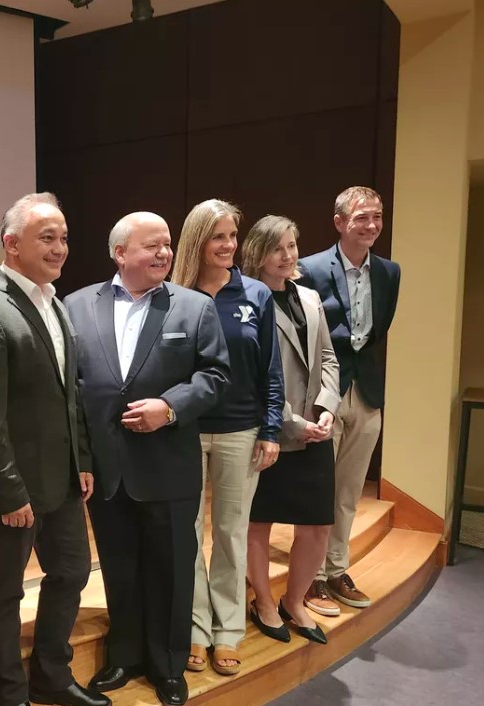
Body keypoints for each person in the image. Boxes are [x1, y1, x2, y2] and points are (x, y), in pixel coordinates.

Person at [65, 212, 230, 705]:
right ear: (120, 253)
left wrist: (171, 407)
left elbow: (216, 377)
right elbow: (73, 389)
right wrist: (81, 457)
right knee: (119, 567)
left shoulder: (194, 308)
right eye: (152, 245)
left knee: (172, 569)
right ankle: (124, 657)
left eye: (167, 244)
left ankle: (168, 666)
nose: (163, 253)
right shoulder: (75, 305)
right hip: (107, 469)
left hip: (168, 465)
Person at [0, 193, 109, 706]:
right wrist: (7, 491)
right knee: (4, 591)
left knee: (72, 572)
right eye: (47, 237)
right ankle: (7, 693)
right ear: (11, 243)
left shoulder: (53, 304)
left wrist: (82, 461)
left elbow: (71, 396)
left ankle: (51, 676)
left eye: (63, 237)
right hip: (13, 489)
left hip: (62, 481)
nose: (60, 247)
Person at [169, 198, 284, 676]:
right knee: (189, 535)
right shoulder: (173, 295)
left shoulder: (256, 294)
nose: (229, 245)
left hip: (242, 430)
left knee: (232, 534)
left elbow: (271, 370)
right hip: (187, 433)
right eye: (218, 236)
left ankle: (227, 630)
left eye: (232, 236)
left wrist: (272, 427)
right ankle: (196, 628)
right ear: (197, 239)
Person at [298, 187, 401, 616]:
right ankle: (311, 577)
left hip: (368, 391)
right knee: (318, 486)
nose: (372, 225)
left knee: (350, 488)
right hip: (325, 389)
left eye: (377, 217)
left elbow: (378, 332)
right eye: (362, 217)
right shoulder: (308, 269)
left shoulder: (390, 272)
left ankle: (337, 568)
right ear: (340, 222)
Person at [241, 215, 341, 645]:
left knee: (318, 525)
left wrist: (327, 409)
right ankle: (263, 601)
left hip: (316, 430)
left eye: (292, 246)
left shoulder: (311, 298)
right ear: (258, 254)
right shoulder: (248, 299)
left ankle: (294, 600)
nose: (288, 256)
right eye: (277, 248)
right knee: (258, 523)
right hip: (270, 432)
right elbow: (251, 373)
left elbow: (329, 358)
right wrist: (292, 424)